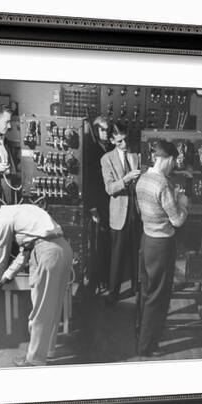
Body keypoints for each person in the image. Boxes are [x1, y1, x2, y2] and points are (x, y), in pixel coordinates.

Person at [0, 201, 73, 367]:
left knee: (40, 310)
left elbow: (1, 255)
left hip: (47, 253)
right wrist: (6, 276)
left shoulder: (2, 219)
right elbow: (25, 253)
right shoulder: (22, 211)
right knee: (52, 307)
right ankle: (48, 352)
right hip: (64, 249)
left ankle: (34, 360)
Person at [135, 140, 189, 357]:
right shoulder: (163, 185)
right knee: (159, 295)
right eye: (173, 162)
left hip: (147, 241)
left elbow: (146, 209)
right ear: (165, 159)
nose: (174, 167)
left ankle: (142, 336)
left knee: (147, 292)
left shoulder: (143, 179)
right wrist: (183, 202)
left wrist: (171, 198)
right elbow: (177, 221)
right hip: (162, 245)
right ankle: (147, 347)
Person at [100, 122, 142, 305]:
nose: (124, 145)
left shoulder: (136, 155)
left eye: (125, 140)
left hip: (137, 212)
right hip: (118, 214)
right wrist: (125, 180)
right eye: (119, 142)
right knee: (116, 256)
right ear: (111, 141)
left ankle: (136, 288)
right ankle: (113, 294)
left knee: (136, 253)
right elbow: (109, 188)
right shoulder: (106, 159)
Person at [87, 115, 114, 293]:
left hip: (111, 202)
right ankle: (96, 280)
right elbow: (89, 181)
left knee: (107, 243)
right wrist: (93, 208)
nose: (106, 133)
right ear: (96, 131)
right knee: (96, 244)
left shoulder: (111, 148)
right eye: (102, 130)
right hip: (97, 203)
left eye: (108, 129)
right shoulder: (91, 150)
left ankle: (105, 278)